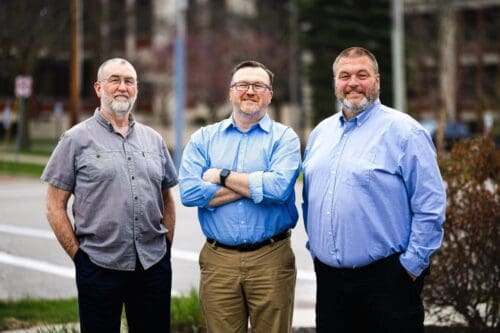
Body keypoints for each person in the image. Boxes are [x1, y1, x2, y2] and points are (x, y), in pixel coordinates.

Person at [302, 47, 446, 332]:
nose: (352, 82)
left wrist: (410, 267)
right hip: (330, 283)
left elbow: (430, 205)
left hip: (388, 282)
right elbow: (309, 198)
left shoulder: (405, 132)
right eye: (344, 75)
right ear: (335, 82)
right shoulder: (320, 133)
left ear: (377, 81)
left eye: (361, 75)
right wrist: (317, 250)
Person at [41, 58, 177, 333]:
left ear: (136, 89)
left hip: (152, 266)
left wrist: (166, 249)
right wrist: (79, 257)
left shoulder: (154, 140)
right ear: (98, 87)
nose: (122, 87)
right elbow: (54, 206)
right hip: (99, 266)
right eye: (115, 79)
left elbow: (167, 198)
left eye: (129, 81)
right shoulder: (75, 139)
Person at [179, 60, 301, 333]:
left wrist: (222, 175)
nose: (250, 91)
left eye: (258, 85)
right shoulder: (204, 139)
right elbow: (188, 192)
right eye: (243, 85)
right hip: (218, 260)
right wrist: (254, 183)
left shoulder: (284, 139)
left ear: (269, 94)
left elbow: (279, 189)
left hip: (271, 258)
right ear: (230, 92)